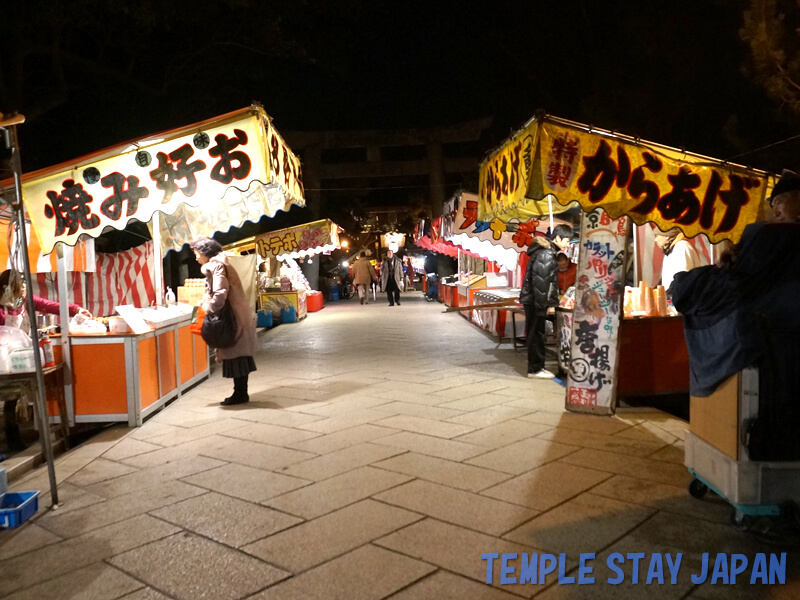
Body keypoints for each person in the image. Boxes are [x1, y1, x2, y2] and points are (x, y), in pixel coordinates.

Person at [1, 269, 91, 451]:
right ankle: (12, 440)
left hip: (20, 356)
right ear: (6, 287)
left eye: (25, 283)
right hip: (3, 359)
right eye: (20, 284)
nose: (25, 287)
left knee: (19, 396)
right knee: (9, 397)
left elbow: (49, 305)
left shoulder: (23, 301)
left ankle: (20, 437)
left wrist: (75, 309)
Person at [191, 237, 257, 406]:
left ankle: (240, 394)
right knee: (238, 355)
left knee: (236, 354)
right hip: (237, 313)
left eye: (197, 253)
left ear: (205, 253)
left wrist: (209, 308)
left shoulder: (218, 266)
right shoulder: (220, 265)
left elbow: (220, 292)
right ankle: (241, 392)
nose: (196, 257)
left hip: (232, 317)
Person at [519, 234, 559, 379]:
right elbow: (541, 283)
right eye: (566, 240)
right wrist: (544, 306)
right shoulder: (546, 254)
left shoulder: (544, 252)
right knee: (536, 334)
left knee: (535, 333)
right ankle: (535, 369)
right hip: (536, 301)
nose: (567, 244)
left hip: (534, 300)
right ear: (558, 238)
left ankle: (536, 367)